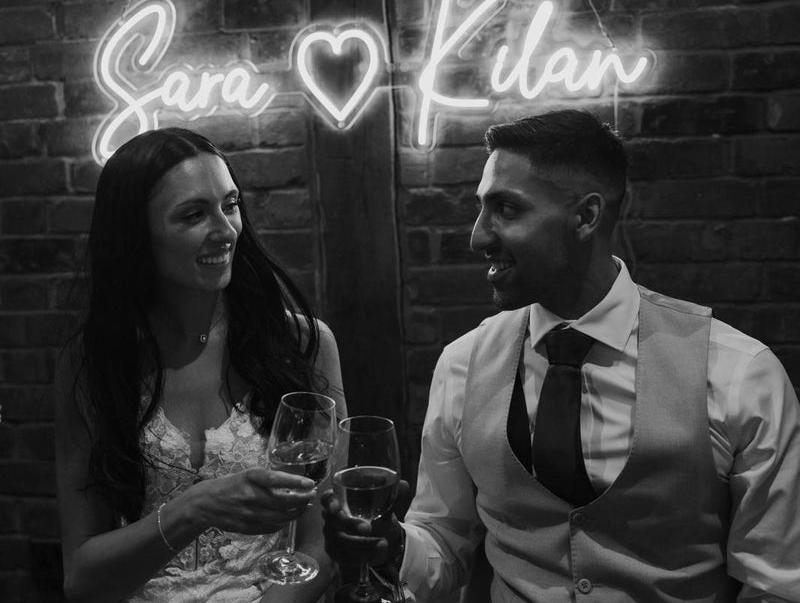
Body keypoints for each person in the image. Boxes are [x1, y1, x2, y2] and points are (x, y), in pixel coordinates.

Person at [322, 108, 800, 602]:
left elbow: (777, 583)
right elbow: (444, 541)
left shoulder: (740, 372)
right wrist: (395, 546)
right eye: (481, 209)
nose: (478, 236)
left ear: (586, 216)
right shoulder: (463, 364)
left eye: (506, 210)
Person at [55, 127, 346, 603]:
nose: (227, 229)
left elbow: (320, 545)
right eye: (194, 214)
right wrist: (193, 508)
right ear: (136, 237)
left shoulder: (301, 344)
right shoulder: (93, 363)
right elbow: (82, 580)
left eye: (230, 205)